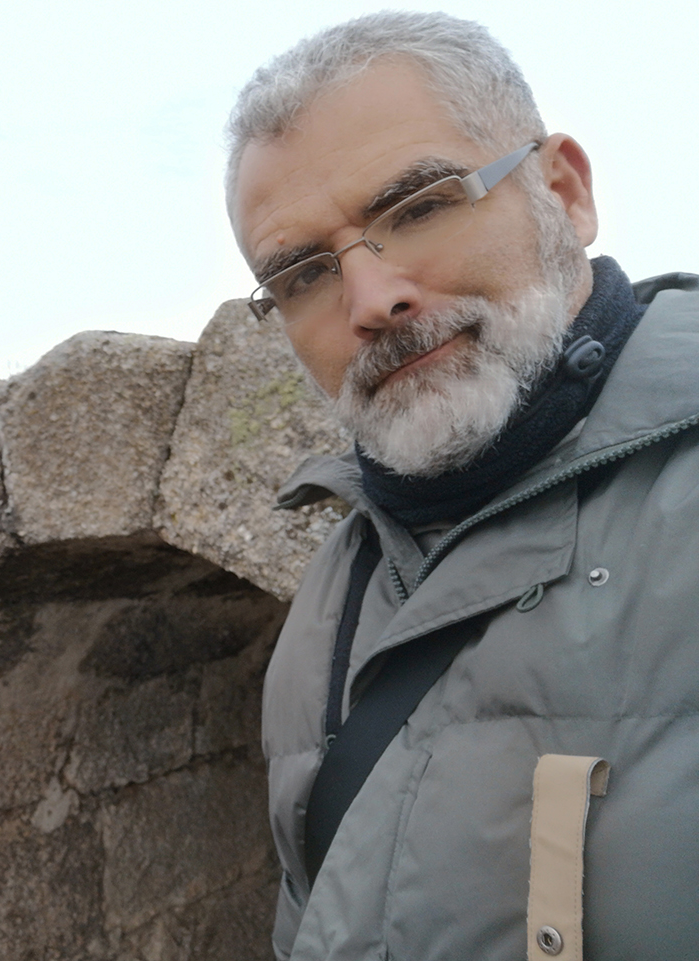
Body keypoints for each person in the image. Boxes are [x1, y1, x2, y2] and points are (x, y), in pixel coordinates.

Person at [226, 11, 699, 960]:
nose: (370, 302)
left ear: (560, 191)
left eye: (420, 206)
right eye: (303, 273)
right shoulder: (334, 587)